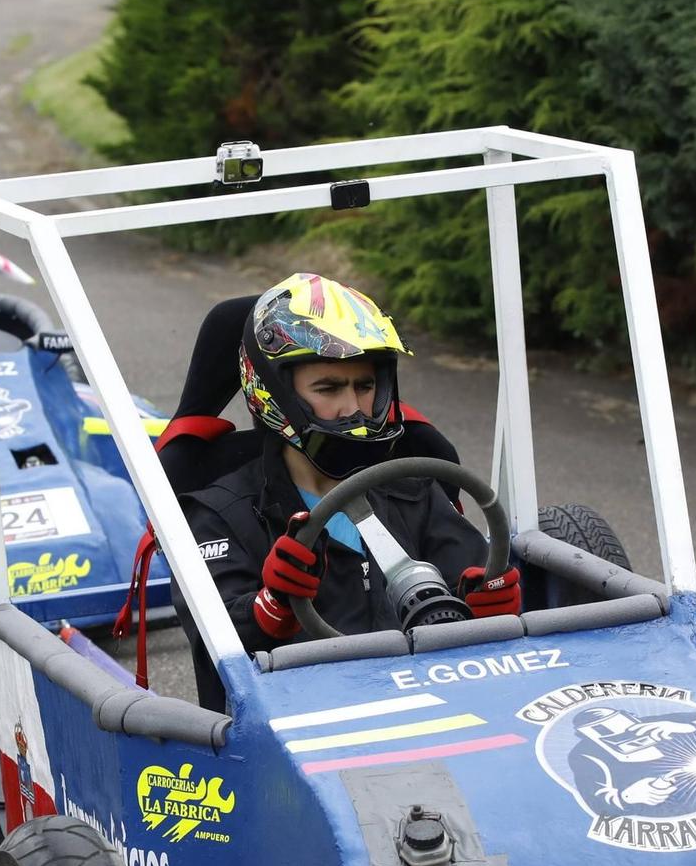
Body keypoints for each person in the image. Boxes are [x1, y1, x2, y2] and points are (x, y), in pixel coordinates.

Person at [181, 274, 519, 663]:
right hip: (305, 712)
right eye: (328, 389)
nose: (353, 408)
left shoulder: (415, 491)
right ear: (274, 393)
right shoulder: (219, 514)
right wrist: (268, 608)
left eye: (364, 386)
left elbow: (474, 581)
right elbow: (213, 643)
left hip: (431, 700)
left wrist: (490, 606)